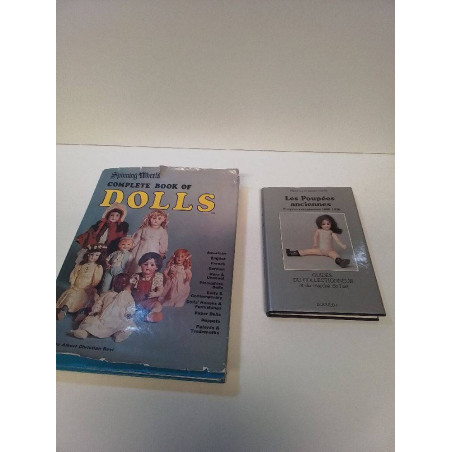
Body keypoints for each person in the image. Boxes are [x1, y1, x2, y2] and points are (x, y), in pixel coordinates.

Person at [71, 273, 137, 343]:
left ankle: (119, 334)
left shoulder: (127, 296)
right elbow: (99, 303)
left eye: (123, 283)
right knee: (91, 320)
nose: (119, 284)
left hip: (118, 319)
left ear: (127, 285)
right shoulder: (107, 294)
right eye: (117, 282)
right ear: (114, 283)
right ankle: (84, 332)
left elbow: (131, 306)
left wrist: (129, 313)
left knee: (128, 325)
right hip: (102, 318)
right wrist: (96, 311)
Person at [56, 244, 104, 320]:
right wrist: (73, 283)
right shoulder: (81, 264)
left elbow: (96, 280)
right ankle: (64, 310)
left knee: (82, 299)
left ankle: (80, 313)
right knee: (70, 295)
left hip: (86, 289)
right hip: (76, 287)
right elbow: (74, 274)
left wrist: (90, 288)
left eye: (97, 255)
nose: (93, 257)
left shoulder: (97, 267)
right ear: (88, 254)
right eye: (92, 254)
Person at [286, 214, 350, 268]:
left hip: (330, 251)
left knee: (335, 255)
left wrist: (342, 245)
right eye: (323, 224)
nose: (326, 225)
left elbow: (337, 240)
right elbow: (315, 237)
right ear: (320, 224)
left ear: (331, 224)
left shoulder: (331, 232)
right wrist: (315, 243)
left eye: (328, 224)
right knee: (308, 251)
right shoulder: (319, 231)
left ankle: (340, 262)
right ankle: (291, 253)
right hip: (320, 250)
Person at [127, 210, 168, 274]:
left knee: (150, 265)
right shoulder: (144, 229)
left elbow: (163, 243)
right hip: (141, 250)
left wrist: (162, 253)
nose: (156, 220)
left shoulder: (162, 231)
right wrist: (130, 246)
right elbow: (136, 239)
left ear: (163, 220)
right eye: (154, 218)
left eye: (159, 219)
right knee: (138, 265)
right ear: (149, 218)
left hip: (153, 251)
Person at [131, 252, 165, 322]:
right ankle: (134, 313)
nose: (148, 267)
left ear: (157, 267)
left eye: (152, 265)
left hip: (150, 301)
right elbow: (129, 288)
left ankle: (151, 314)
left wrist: (155, 294)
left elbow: (160, 290)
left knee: (158, 305)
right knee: (130, 305)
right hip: (137, 301)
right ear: (141, 265)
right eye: (145, 264)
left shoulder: (157, 277)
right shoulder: (136, 276)